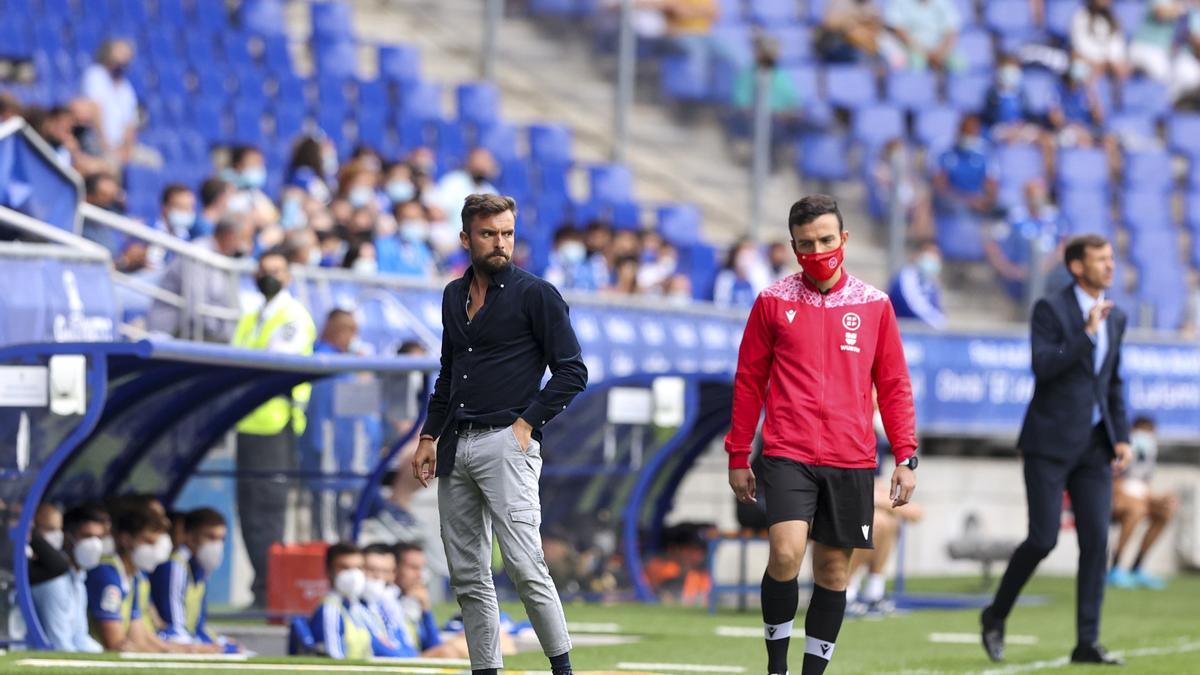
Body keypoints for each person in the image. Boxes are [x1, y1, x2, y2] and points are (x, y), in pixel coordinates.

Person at [725, 195, 918, 675]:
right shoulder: (772, 302)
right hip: (787, 452)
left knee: (833, 571)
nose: (818, 250)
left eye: (827, 240)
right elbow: (749, 381)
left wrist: (907, 456)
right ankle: (776, 667)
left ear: (844, 240)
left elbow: (893, 385)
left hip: (851, 459)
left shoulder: (875, 305)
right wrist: (737, 454)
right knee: (786, 552)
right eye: (807, 243)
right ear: (793, 246)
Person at [411, 193, 587, 675]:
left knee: (526, 566)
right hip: (454, 445)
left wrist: (526, 425)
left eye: (507, 233)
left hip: (507, 443)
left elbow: (573, 372)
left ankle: (562, 670)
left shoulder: (537, 294)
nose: (500, 242)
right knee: (468, 577)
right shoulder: (452, 295)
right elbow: (449, 373)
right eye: (488, 233)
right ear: (466, 239)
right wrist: (429, 436)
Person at [981, 234, 1133, 666]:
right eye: (1100, 259)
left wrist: (1120, 435)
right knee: (1043, 539)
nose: (1110, 266)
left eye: (1111, 258)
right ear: (1076, 267)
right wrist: (1085, 335)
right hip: (1048, 442)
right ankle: (995, 615)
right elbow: (1043, 366)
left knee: (1096, 543)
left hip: (1094, 447)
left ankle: (1087, 641)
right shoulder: (1051, 308)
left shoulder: (1116, 317)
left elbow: (1113, 382)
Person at [231, 248, 317, 608]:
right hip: (247, 421)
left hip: (275, 422)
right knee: (247, 509)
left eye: (277, 270)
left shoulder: (293, 315)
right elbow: (235, 359)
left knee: (267, 509)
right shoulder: (251, 316)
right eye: (264, 270)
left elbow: (275, 360)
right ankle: (260, 586)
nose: (269, 276)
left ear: (289, 277)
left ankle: (269, 588)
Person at [301, 308, 381, 542]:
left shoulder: (352, 364)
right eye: (350, 330)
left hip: (351, 462)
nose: (354, 336)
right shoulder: (323, 363)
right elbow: (321, 418)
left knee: (348, 530)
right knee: (327, 533)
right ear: (334, 330)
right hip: (328, 463)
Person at [86, 507, 186, 652]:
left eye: (156, 544)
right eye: (148, 542)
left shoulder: (134, 576)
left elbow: (137, 635)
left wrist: (177, 650)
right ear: (126, 539)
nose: (155, 551)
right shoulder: (107, 574)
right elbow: (116, 644)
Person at [1108, 416, 1178, 589]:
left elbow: (1142, 486)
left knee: (1165, 511)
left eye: (1150, 432)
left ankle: (1136, 567)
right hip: (1114, 500)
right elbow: (1112, 480)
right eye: (1144, 431)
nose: (1148, 436)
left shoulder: (1148, 456)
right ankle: (1115, 567)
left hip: (1138, 498)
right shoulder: (1122, 448)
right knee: (1136, 510)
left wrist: (1158, 498)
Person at [148, 217, 245, 342]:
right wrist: (217, 337)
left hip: (201, 334)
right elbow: (195, 303)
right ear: (229, 236)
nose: (241, 246)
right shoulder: (198, 252)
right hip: (169, 332)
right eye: (241, 239)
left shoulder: (226, 259)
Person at [149, 508, 231, 650]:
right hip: (170, 638)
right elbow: (174, 626)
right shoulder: (175, 566)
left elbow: (198, 625)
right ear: (191, 537)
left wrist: (218, 643)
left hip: (188, 638)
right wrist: (204, 648)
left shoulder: (202, 569)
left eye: (221, 539)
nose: (217, 546)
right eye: (211, 537)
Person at [31, 504, 107, 653]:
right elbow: (59, 644)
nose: (94, 544)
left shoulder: (79, 578)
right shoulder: (53, 580)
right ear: (67, 536)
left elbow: (79, 637)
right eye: (87, 536)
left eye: (99, 537)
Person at [309, 542, 374, 659]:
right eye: (345, 568)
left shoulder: (359, 608)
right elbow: (334, 659)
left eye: (358, 568)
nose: (354, 575)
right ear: (328, 571)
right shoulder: (330, 609)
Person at [80, 39, 138, 159]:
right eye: (121, 54)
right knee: (112, 162)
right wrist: (105, 145)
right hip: (96, 142)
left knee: (152, 160)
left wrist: (126, 149)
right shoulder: (95, 75)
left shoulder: (126, 87)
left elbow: (130, 123)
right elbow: (94, 110)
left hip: (119, 147)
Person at [885, 0, 963, 72]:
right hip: (913, 49)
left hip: (941, 49)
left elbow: (951, 32)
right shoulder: (900, 2)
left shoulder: (944, 2)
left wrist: (940, 53)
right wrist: (924, 52)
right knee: (916, 65)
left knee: (959, 65)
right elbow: (899, 31)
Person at [431, 148, 498, 232]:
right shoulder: (453, 181)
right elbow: (436, 212)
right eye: (480, 161)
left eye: (487, 161)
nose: (484, 165)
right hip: (451, 236)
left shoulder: (491, 192)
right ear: (470, 162)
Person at [887, 241, 947, 329]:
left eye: (936, 254)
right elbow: (914, 306)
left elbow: (936, 307)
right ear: (917, 255)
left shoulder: (930, 283)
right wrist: (938, 322)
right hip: (902, 332)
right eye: (929, 253)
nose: (933, 258)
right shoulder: (905, 277)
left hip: (922, 333)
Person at [1071, 0, 1129, 79]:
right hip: (1087, 62)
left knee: (1122, 70)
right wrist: (1096, 62)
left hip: (1107, 66)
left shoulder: (1114, 21)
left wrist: (1107, 63)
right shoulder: (1081, 15)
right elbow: (1079, 46)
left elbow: (1117, 49)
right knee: (1077, 66)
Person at [714, 239, 771, 308]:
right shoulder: (725, 278)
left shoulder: (760, 277)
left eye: (748, 256)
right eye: (742, 255)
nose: (745, 260)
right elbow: (720, 305)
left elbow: (763, 305)